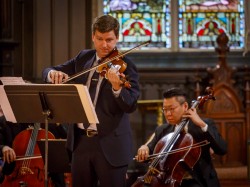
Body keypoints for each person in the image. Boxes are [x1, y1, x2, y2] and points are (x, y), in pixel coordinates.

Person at [42, 14, 140, 187]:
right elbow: (48, 70)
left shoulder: (127, 65)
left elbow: (130, 104)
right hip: (81, 143)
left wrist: (117, 88)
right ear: (93, 37)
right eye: (100, 39)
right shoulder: (84, 58)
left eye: (109, 39)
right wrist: (52, 74)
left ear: (117, 38)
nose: (104, 45)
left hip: (111, 144)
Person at [135, 87, 227, 187]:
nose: (168, 114)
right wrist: (145, 149)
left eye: (171, 109)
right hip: (169, 182)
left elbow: (222, 149)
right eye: (165, 110)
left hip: (198, 181)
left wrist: (201, 124)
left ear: (185, 106)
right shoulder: (162, 130)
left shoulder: (203, 125)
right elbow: (149, 153)